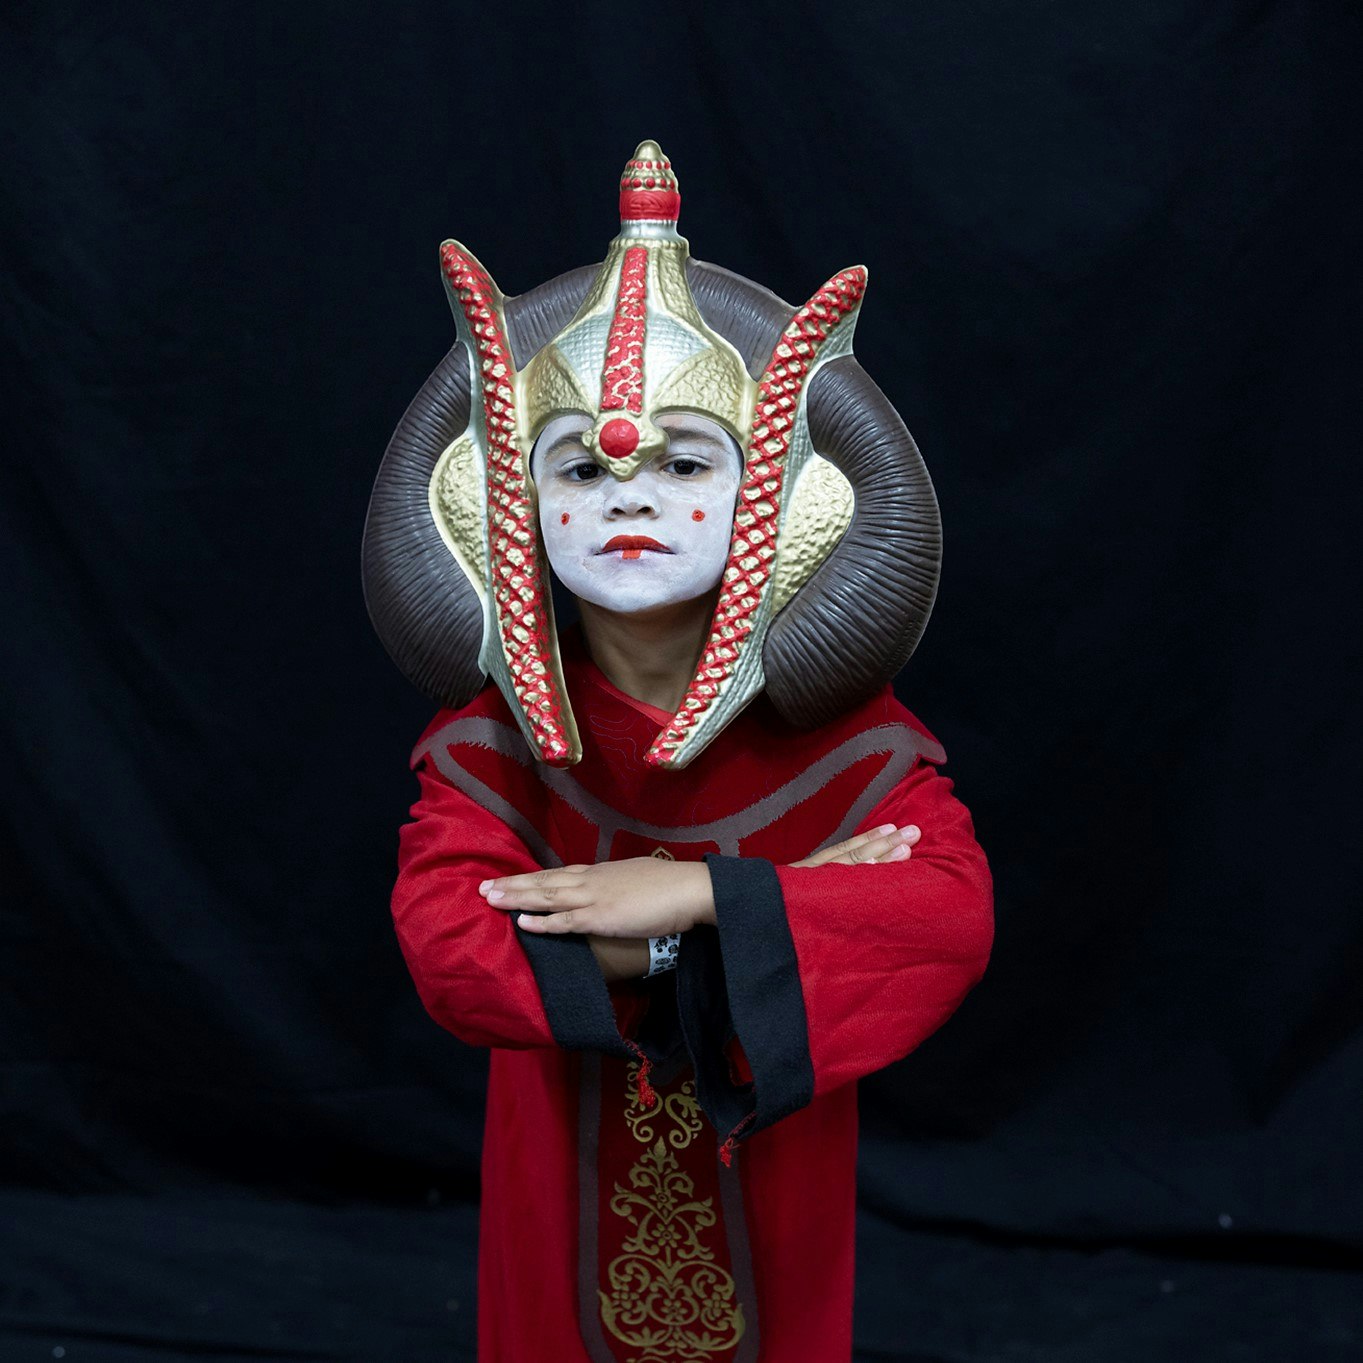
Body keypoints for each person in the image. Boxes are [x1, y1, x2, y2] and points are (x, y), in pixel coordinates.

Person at [363, 140, 994, 1363]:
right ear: (511, 503)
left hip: (775, 1200)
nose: (630, 496)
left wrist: (690, 892)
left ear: (778, 497)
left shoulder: (845, 741)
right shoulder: (490, 740)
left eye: (686, 461)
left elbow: (945, 921)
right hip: (555, 1198)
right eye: (580, 465)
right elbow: (450, 949)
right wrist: (767, 911)